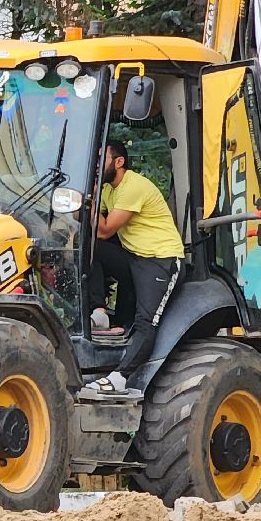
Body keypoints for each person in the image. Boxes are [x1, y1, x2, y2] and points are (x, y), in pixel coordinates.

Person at [89, 139, 184, 384]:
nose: (96, 165)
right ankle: (99, 313)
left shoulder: (134, 186)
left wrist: (87, 202)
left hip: (160, 259)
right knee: (91, 249)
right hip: (134, 258)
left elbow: (105, 229)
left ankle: (120, 378)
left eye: (102, 159)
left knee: (146, 322)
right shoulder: (110, 191)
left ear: (119, 162)